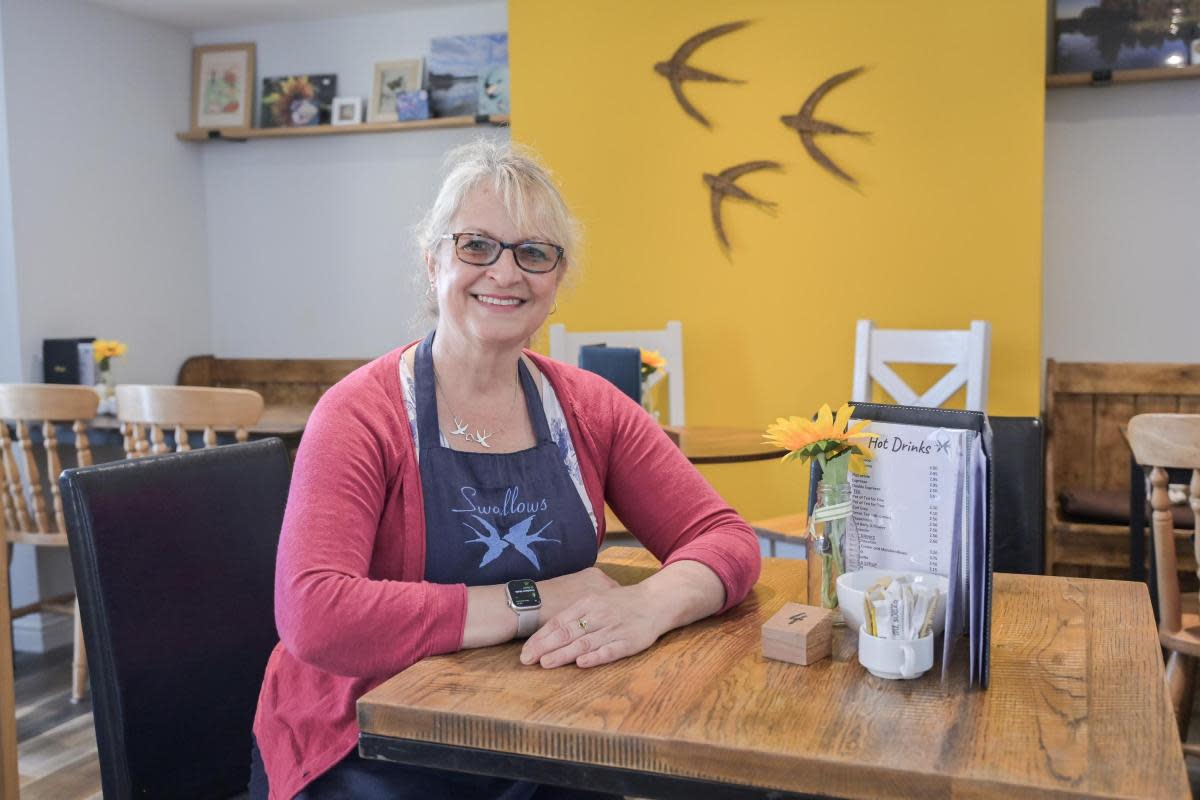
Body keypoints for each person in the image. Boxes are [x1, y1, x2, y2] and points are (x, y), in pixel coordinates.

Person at [249, 139, 762, 799]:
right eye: (476, 246)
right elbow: (316, 615)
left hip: (545, 728)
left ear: (556, 279)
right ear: (432, 259)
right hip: (370, 744)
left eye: (534, 252)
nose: (506, 272)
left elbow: (724, 537)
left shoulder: (590, 408)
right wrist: (536, 601)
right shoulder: (359, 414)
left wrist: (648, 605)